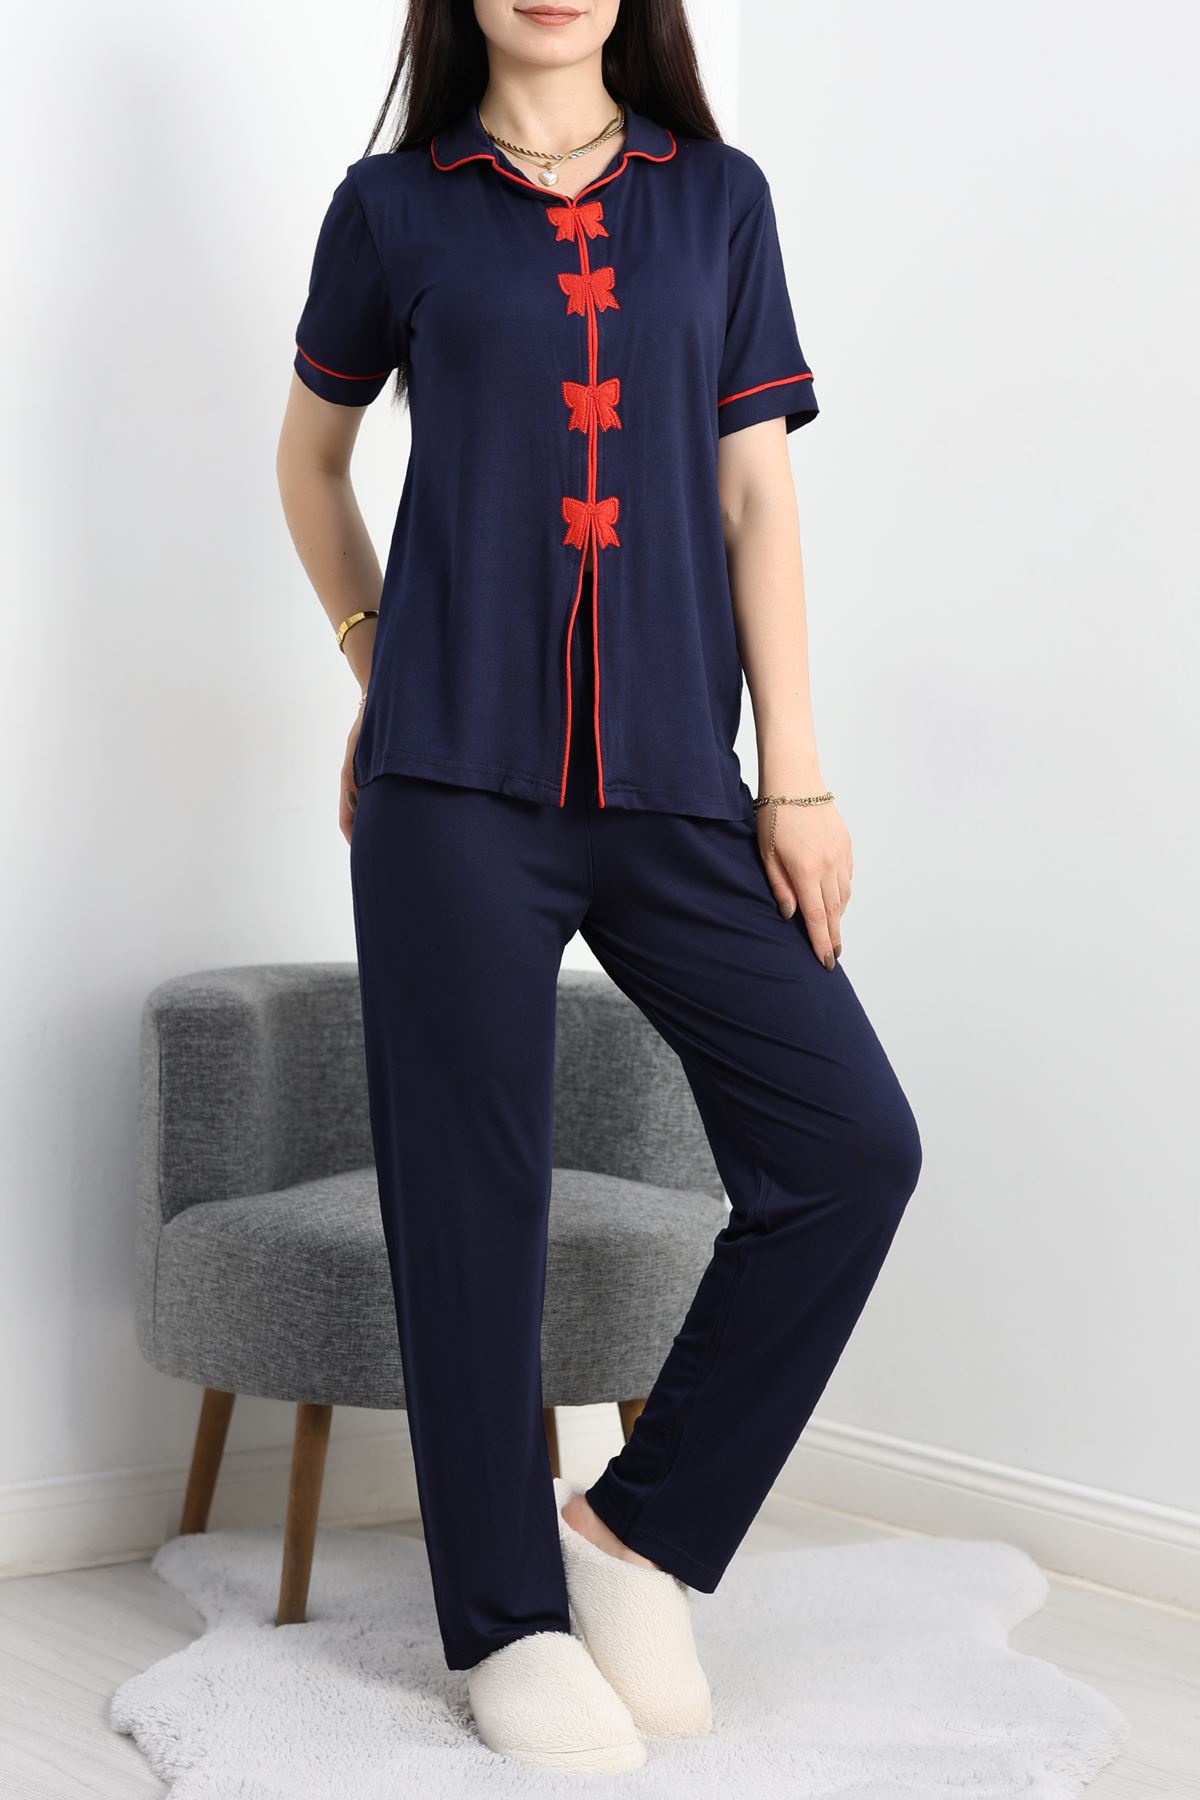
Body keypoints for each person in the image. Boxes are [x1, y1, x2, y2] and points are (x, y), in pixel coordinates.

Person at [276, 0, 922, 1775]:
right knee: (468, 1208)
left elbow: (754, 497)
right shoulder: (393, 207)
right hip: (449, 792)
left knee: (851, 1148)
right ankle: (504, 1624)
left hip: (675, 783)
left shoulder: (718, 199)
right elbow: (310, 461)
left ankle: (630, 1538)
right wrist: (383, 661)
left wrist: (795, 774)